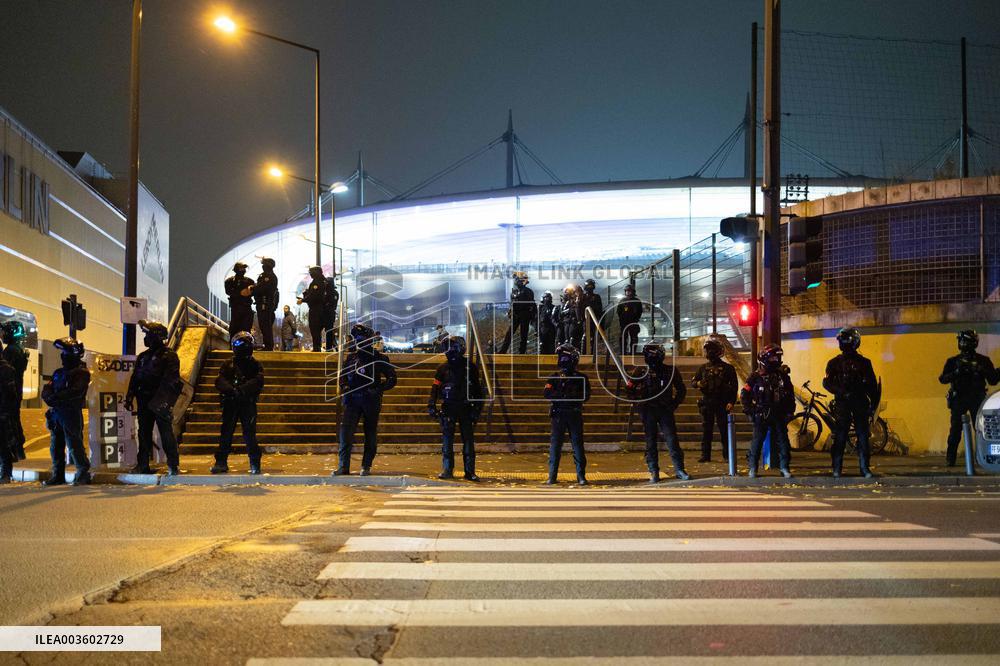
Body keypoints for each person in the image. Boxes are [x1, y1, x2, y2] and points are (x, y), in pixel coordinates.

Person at [334, 324, 398, 476]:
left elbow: (392, 378)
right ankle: (344, 466)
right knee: (346, 435)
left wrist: (378, 390)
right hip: (352, 400)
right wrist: (345, 388)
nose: (359, 342)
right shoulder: (351, 358)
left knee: (370, 434)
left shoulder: (379, 358)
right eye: (358, 339)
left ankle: (366, 465)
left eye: (362, 339)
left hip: (370, 400)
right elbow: (342, 377)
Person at [125, 320, 182, 476]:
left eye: (148, 335)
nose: (146, 338)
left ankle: (173, 465)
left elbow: (171, 379)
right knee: (143, 434)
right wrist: (130, 396)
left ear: (156, 337)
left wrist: (162, 402)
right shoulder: (143, 357)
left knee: (166, 433)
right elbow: (135, 377)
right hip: (144, 400)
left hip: (159, 401)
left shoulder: (169, 355)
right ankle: (142, 464)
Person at [627, 343, 690, 483]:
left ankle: (679, 469)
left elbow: (681, 390)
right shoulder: (640, 371)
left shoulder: (670, 370)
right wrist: (639, 404)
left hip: (664, 409)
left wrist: (673, 404)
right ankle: (653, 470)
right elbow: (629, 389)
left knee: (672, 440)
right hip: (648, 410)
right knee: (650, 442)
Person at [824, 327, 880, 478]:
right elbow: (827, 383)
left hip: (860, 403)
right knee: (841, 436)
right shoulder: (834, 363)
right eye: (841, 340)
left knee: (862, 436)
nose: (842, 343)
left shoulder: (864, 363)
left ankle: (864, 467)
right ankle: (837, 468)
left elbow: (872, 386)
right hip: (843, 403)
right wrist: (841, 392)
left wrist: (873, 406)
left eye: (845, 340)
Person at [939, 329, 999, 467]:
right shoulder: (953, 361)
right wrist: (957, 372)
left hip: (976, 398)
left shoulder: (983, 361)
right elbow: (942, 378)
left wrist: (983, 370)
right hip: (959, 399)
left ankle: (982, 457)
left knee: (980, 429)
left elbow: (993, 380)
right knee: (955, 430)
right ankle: (951, 457)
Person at [428, 336, 484, 480]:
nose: (450, 351)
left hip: (466, 407)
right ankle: (447, 469)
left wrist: (477, 410)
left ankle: (470, 471)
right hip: (448, 407)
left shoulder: (470, 367)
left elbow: (478, 390)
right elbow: (435, 388)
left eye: (452, 347)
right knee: (447, 441)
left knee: (468, 441)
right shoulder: (442, 368)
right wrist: (432, 405)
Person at [211, 332, 265, 475]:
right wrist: (232, 390)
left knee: (249, 434)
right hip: (231, 402)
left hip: (247, 403)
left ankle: (254, 462)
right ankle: (221, 462)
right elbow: (220, 380)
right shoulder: (229, 364)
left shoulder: (254, 365)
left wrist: (241, 390)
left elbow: (258, 381)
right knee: (226, 433)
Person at [740, 344, 795, 478]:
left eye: (777, 357)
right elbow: (744, 394)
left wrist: (789, 412)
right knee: (757, 441)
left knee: (783, 442)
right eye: (773, 358)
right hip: (761, 413)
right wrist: (750, 411)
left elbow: (790, 395)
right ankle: (753, 468)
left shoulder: (782, 376)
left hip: (779, 413)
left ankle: (784, 468)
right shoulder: (755, 376)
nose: (776, 360)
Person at [41, 337, 91, 486]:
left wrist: (55, 396)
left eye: (65, 352)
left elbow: (74, 391)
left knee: (74, 445)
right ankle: (58, 475)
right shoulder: (58, 372)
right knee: (55, 446)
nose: (62, 356)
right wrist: (51, 397)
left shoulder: (81, 373)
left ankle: (83, 473)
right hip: (56, 413)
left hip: (70, 413)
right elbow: (47, 389)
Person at [544, 344, 591, 485]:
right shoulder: (554, 377)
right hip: (559, 414)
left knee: (577, 445)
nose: (563, 360)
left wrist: (569, 396)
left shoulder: (581, 377)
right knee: (556, 446)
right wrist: (562, 396)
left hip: (574, 413)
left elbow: (585, 395)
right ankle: (552, 476)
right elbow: (547, 393)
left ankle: (581, 476)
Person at [692, 337, 739, 463]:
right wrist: (698, 384)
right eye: (707, 350)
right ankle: (705, 455)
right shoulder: (703, 368)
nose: (707, 353)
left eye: (709, 350)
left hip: (722, 403)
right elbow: (693, 382)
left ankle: (727, 455)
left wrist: (731, 402)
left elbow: (734, 387)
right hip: (707, 402)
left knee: (724, 430)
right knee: (707, 430)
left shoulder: (728, 368)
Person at [1, 321, 29, 460]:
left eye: (4, 332)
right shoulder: (19, 349)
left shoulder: (10, 351)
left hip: (10, 392)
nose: (2, 335)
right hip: (15, 390)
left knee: (10, 422)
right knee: (14, 420)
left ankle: (14, 452)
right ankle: (18, 451)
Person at [498, 271, 536, 354]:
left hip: (525, 315)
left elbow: (533, 305)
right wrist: (510, 311)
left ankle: (522, 352)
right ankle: (502, 351)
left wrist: (533, 318)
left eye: (517, 279)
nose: (515, 280)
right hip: (515, 315)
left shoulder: (528, 291)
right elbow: (512, 303)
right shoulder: (514, 292)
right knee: (509, 333)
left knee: (524, 335)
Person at [298, 266, 331, 352]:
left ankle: (317, 348)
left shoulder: (316, 282)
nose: (310, 274)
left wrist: (303, 300)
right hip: (325, 310)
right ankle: (320, 347)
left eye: (311, 272)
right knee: (320, 330)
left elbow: (314, 296)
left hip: (316, 309)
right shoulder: (325, 281)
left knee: (315, 329)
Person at [0, 340, 17, 483]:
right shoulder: (7, 368)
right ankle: (5, 473)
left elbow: (11, 393)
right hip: (3, 411)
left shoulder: (6, 369)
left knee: (3, 443)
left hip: (2, 412)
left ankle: (6, 473)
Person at [254, 257, 279, 351]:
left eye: (264, 264)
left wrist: (253, 289)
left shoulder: (269, 276)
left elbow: (262, 289)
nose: (263, 266)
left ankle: (268, 346)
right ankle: (267, 345)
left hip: (265, 304)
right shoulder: (264, 275)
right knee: (263, 325)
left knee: (265, 325)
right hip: (261, 303)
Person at [224, 262, 255, 339]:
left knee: (246, 328)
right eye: (241, 268)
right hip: (236, 308)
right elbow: (228, 291)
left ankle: (246, 345)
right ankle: (232, 345)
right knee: (234, 328)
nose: (243, 270)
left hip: (247, 307)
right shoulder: (229, 281)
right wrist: (240, 293)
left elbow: (255, 291)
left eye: (244, 268)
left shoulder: (249, 281)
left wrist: (251, 290)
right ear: (236, 270)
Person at [579, 278, 604, 354]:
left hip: (594, 320)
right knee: (585, 337)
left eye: (591, 286)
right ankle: (583, 354)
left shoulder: (596, 297)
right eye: (588, 286)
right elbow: (579, 308)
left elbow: (599, 309)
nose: (589, 288)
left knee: (594, 338)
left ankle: (593, 354)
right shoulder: (582, 297)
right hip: (585, 320)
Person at [616, 283, 642, 355]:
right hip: (624, 323)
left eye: (629, 291)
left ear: (633, 292)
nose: (628, 292)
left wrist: (636, 319)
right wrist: (622, 319)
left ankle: (633, 352)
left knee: (634, 337)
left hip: (633, 322)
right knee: (623, 337)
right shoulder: (622, 301)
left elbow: (640, 312)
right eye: (627, 291)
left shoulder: (637, 301)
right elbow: (618, 311)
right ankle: (623, 352)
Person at [555, 285, 583, 349]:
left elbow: (577, 310)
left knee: (572, 338)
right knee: (567, 339)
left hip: (573, 322)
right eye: (566, 292)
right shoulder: (565, 304)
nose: (568, 294)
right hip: (566, 322)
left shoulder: (575, 300)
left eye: (569, 292)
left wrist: (578, 320)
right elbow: (561, 313)